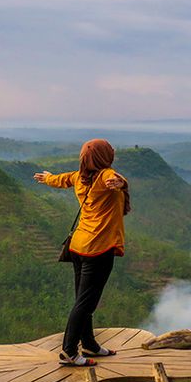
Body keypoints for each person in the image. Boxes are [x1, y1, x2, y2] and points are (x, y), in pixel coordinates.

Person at [33, 139, 131, 366]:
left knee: (83, 299)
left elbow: (62, 179)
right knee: (86, 302)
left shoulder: (80, 177)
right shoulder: (107, 174)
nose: (113, 151)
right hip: (98, 248)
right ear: (103, 157)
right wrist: (119, 182)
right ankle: (68, 351)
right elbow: (112, 179)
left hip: (78, 246)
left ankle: (89, 344)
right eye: (110, 150)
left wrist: (47, 178)